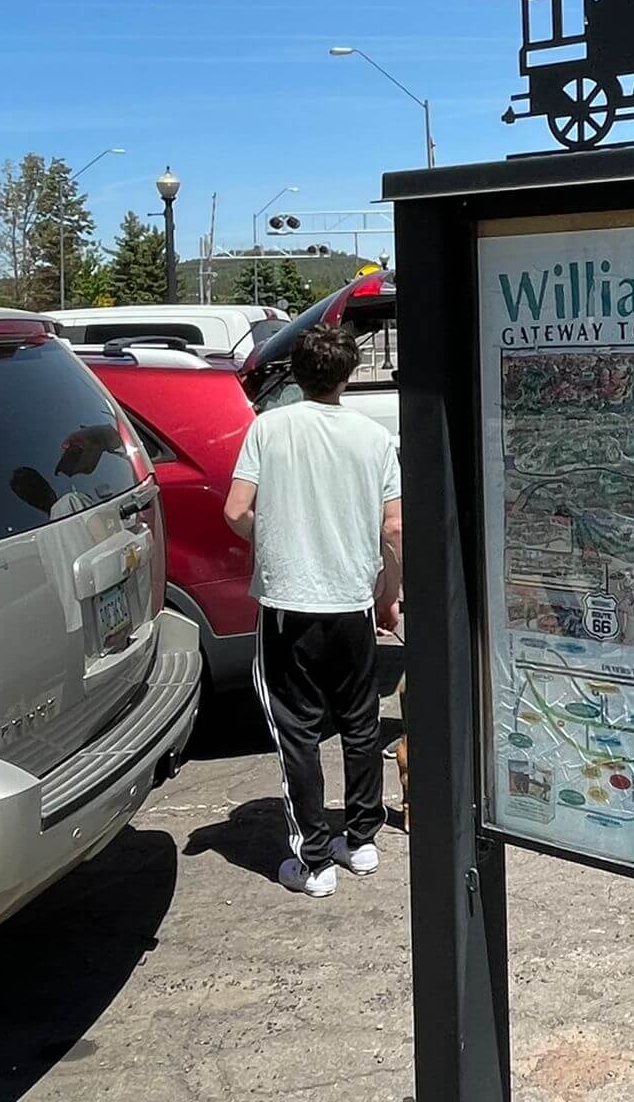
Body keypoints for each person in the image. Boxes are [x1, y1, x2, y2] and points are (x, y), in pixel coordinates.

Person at [224, 324, 403, 897]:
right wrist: (388, 593)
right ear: (347, 376)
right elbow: (394, 526)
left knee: (296, 729)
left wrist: (272, 538)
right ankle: (362, 838)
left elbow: (236, 510)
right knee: (360, 721)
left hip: (288, 602)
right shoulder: (374, 438)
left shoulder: (268, 428)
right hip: (352, 599)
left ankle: (314, 860)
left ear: (296, 375)